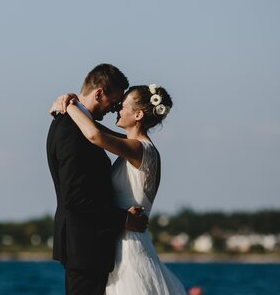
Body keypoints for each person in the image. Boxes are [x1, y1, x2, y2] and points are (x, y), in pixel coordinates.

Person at [50, 83, 187, 295]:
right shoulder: (132, 145)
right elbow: (97, 130)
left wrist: (69, 106)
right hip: (116, 240)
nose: (117, 108)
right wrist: (71, 102)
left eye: (123, 105)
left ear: (138, 114)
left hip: (129, 245)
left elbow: (95, 135)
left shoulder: (139, 149)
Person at [46, 63, 149, 295]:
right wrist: (124, 219)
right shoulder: (70, 130)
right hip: (84, 246)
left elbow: (104, 136)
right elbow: (75, 198)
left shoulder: (77, 124)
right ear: (99, 93)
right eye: (114, 103)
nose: (114, 110)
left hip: (89, 246)